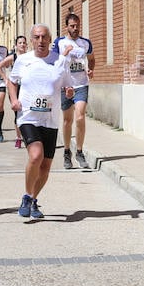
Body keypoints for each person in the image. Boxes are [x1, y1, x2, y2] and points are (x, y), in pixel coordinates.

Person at [7, 24, 74, 219]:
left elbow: (68, 85)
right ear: (31, 40)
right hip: (28, 117)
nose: (41, 41)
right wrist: (13, 99)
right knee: (36, 155)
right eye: (36, 37)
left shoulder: (60, 61)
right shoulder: (23, 60)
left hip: (50, 119)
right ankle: (27, 197)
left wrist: (69, 91)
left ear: (50, 39)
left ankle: (34, 200)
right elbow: (12, 81)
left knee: (45, 166)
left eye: (44, 37)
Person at [54, 13, 95, 169]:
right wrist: (65, 54)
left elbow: (91, 59)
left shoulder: (85, 43)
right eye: (72, 26)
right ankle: (66, 152)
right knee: (67, 121)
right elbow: (55, 62)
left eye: (77, 25)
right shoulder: (59, 42)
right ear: (67, 26)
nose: (75, 28)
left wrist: (91, 70)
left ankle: (79, 151)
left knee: (80, 116)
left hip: (81, 84)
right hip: (66, 85)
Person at [0, 35, 28, 147]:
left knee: (27, 112)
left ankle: (27, 136)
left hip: (27, 88)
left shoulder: (30, 57)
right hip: (15, 87)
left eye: (24, 43)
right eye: (20, 43)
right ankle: (18, 137)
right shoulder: (13, 57)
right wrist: (6, 79)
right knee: (18, 112)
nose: (22, 45)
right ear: (16, 45)